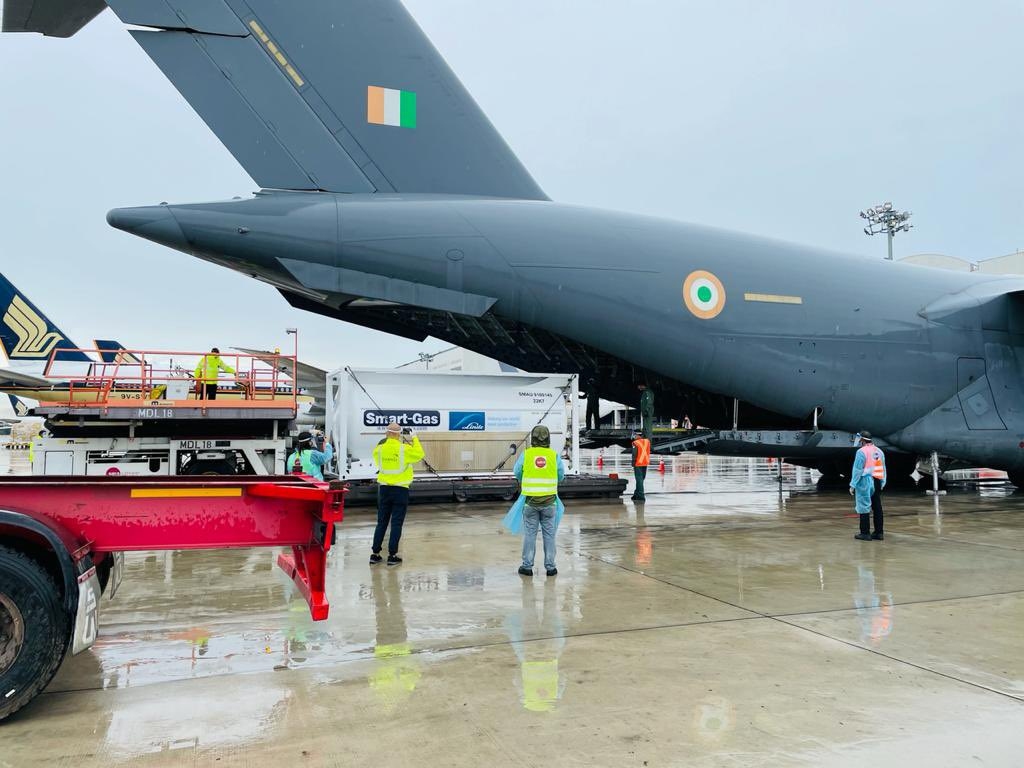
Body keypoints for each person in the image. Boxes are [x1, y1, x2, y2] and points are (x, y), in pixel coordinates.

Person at [510, 425, 565, 577]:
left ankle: (527, 567)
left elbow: (517, 472)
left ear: (532, 438)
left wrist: (526, 479)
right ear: (548, 438)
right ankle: (551, 567)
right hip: (550, 503)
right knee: (549, 535)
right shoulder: (553, 455)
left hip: (530, 503)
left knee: (530, 535)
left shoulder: (527, 454)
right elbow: (561, 475)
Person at [371, 422, 425, 566]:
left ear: (386, 433)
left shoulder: (379, 449)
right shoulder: (404, 449)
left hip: (383, 489)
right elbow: (420, 454)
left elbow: (378, 460)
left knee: (381, 522)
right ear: (399, 434)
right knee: (396, 523)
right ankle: (392, 555)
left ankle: (375, 554)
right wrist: (414, 437)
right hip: (400, 489)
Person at [850, 431, 886, 541]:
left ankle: (865, 533)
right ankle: (879, 533)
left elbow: (857, 470)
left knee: (863, 506)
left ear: (862, 440)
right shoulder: (879, 451)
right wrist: (882, 482)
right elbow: (883, 468)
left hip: (864, 481)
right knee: (877, 507)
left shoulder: (861, 452)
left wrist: (852, 485)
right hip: (877, 481)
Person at [630, 429, 651, 501]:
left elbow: (634, 454)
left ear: (637, 435)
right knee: (641, 479)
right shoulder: (647, 441)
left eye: (634, 435)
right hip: (645, 462)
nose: (633, 436)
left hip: (638, 463)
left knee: (639, 479)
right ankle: (636, 494)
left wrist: (633, 463)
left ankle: (641, 496)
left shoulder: (635, 443)